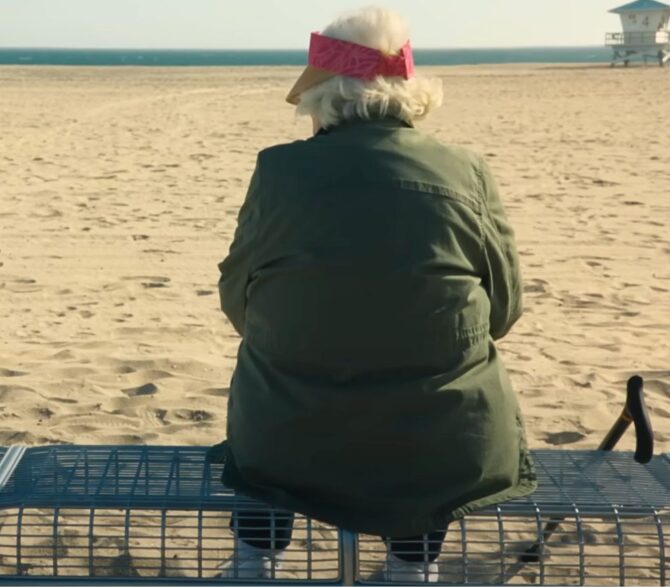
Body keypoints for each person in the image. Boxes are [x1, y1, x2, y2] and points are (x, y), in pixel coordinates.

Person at [215, 7, 537, 583]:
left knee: (269, 387)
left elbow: (238, 299)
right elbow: (504, 308)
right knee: (436, 406)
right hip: (442, 445)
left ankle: (255, 560)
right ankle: (412, 564)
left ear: (322, 97)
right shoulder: (466, 170)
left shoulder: (279, 170)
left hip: (290, 441)